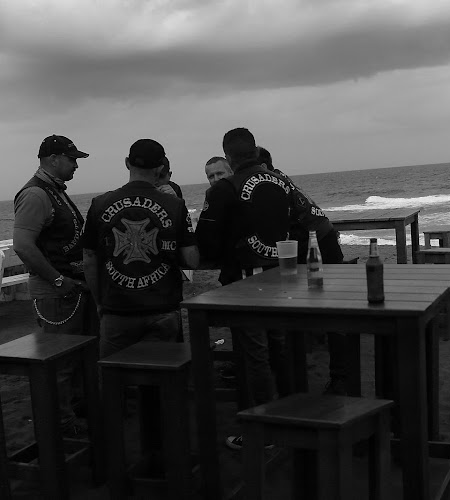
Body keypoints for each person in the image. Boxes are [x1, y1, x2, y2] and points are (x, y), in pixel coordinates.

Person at [196, 128, 298, 450]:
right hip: (282, 275)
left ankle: (263, 431)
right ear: (255, 150)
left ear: (229, 158)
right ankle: (291, 416)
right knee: (280, 348)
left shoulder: (225, 190)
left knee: (254, 354)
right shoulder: (282, 182)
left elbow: (207, 241)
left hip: (247, 280)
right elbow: (306, 222)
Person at [81, 139, 199, 358]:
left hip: (117, 309)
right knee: (163, 377)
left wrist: (100, 303)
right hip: (162, 308)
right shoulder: (175, 205)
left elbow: (89, 259)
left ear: (127, 163)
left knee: (114, 378)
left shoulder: (99, 204)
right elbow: (191, 260)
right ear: (161, 168)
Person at [13, 134, 99, 436]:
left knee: (75, 359)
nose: (76, 165)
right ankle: (61, 424)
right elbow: (22, 245)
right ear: (53, 159)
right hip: (57, 293)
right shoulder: (37, 195)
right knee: (61, 363)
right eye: (72, 159)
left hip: (70, 290)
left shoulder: (52, 191)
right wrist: (58, 279)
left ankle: (73, 413)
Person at [258, 146, 349, 395]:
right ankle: (326, 374)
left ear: (263, 168)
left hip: (316, 242)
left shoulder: (270, 183)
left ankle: (337, 377)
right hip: (320, 237)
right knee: (325, 307)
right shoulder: (279, 177)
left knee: (328, 308)